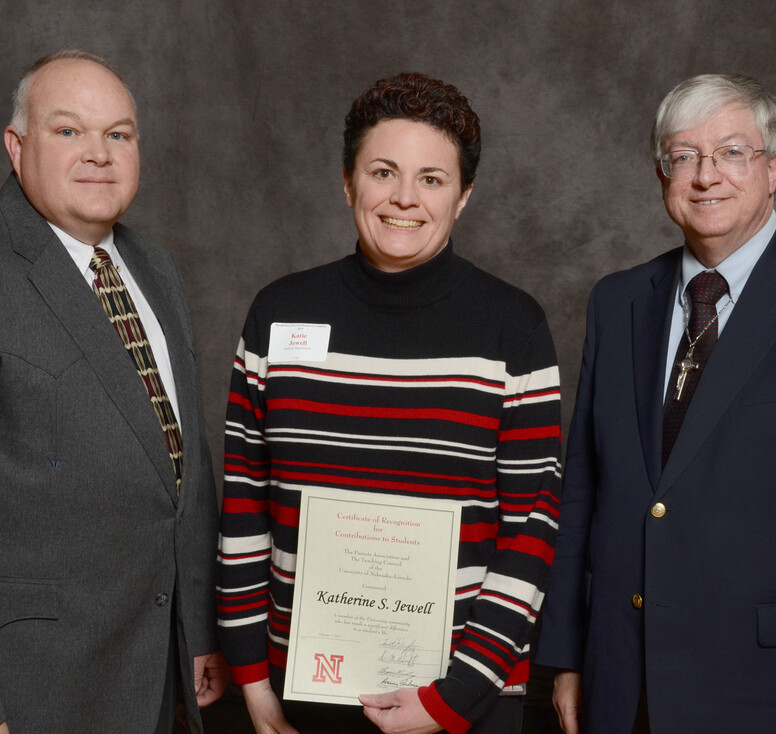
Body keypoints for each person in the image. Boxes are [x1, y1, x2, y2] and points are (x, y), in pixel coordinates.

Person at [536, 73, 776, 733]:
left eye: (731, 153)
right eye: (683, 156)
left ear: (773, 168)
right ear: (662, 174)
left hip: (773, 698)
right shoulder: (617, 301)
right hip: (620, 686)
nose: (705, 175)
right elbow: (586, 493)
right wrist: (569, 658)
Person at [0, 50, 226, 733]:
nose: (99, 154)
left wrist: (195, 628)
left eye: (119, 134)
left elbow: (179, 463)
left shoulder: (155, 271)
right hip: (17, 693)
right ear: (16, 145)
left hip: (146, 678)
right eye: (68, 131)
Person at [217, 73, 563, 734]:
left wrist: (452, 699)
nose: (404, 198)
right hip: (301, 699)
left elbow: (532, 528)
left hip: (466, 699)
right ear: (348, 182)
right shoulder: (278, 313)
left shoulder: (512, 328)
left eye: (432, 179)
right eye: (384, 171)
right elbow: (243, 511)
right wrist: (255, 688)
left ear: (463, 196)